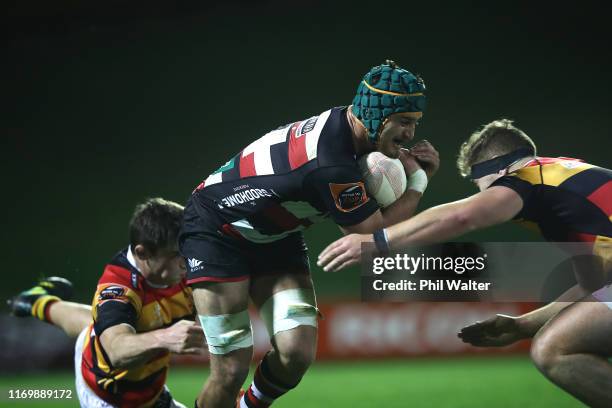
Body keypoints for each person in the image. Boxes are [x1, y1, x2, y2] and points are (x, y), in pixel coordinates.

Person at [179, 60, 439, 408]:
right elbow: (373, 236)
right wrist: (419, 182)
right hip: (217, 231)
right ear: (376, 114)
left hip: (275, 237)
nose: (410, 134)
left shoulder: (347, 129)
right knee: (229, 371)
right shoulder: (332, 163)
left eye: (414, 124)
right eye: (404, 122)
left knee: (297, 353)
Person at [317, 118, 612, 407]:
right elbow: (593, 287)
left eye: (485, 187)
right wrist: (522, 326)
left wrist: (379, 240)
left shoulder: (528, 179)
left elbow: (463, 215)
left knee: (555, 350)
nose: (485, 195)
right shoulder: (564, 191)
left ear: (504, 170)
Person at [9, 197, 204, 408]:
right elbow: (116, 350)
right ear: (142, 253)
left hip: (147, 384)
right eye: (176, 255)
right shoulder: (117, 288)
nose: (186, 262)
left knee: (96, 324)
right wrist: (166, 337)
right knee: (113, 330)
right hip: (110, 395)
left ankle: (36, 301)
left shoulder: (175, 266)